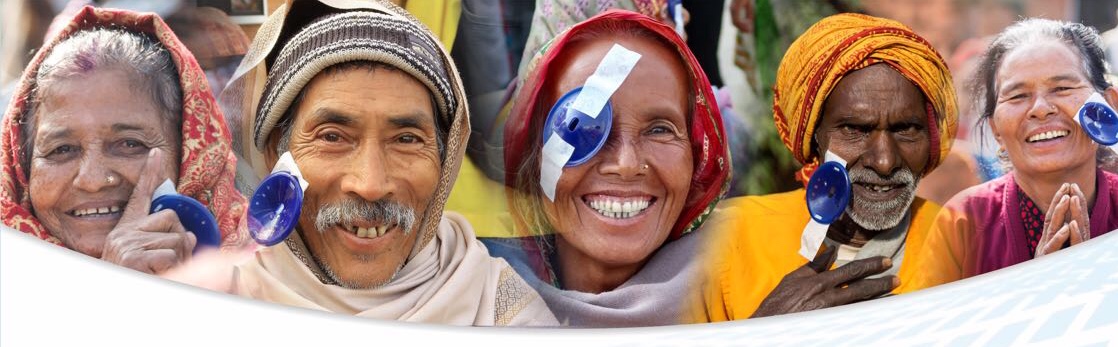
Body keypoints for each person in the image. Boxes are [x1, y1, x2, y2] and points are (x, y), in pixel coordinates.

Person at [226, 0, 556, 326]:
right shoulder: (220, 299)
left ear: (446, 159)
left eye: (407, 140)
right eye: (332, 137)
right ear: (274, 154)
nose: (370, 185)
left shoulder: (503, 311)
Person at [694, 13, 959, 320]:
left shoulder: (963, 241)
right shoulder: (723, 240)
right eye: (855, 130)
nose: (885, 162)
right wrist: (762, 332)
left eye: (906, 129)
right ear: (813, 137)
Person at [485, 10, 730, 327]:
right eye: (582, 126)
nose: (626, 165)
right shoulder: (471, 297)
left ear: (697, 161)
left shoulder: (743, 291)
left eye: (659, 130)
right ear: (532, 157)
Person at [0, 6, 247, 273]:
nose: (92, 181)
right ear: (22, 169)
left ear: (191, 152)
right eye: (62, 149)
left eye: (130, 144)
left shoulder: (267, 280)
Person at [914, 18, 1118, 287]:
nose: (1041, 108)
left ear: (1108, 104)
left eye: (1062, 88)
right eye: (1018, 95)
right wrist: (1031, 287)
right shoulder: (963, 222)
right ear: (996, 129)